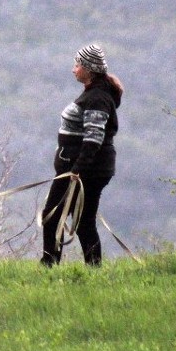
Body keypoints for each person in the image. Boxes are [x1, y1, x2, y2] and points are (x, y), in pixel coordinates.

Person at [40, 44, 123, 266]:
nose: (73, 69)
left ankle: (49, 264)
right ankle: (93, 267)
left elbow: (93, 139)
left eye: (77, 65)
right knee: (84, 221)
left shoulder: (97, 98)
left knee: (52, 216)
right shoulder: (94, 93)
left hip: (82, 171)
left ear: (89, 69)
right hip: (86, 169)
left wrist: (76, 170)